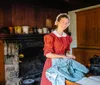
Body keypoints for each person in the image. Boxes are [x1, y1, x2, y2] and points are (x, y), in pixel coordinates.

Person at [40, 13, 76, 85]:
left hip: (63, 63)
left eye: (66, 23)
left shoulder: (67, 37)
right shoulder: (50, 37)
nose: (64, 24)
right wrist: (62, 56)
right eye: (63, 22)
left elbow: (67, 51)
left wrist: (69, 55)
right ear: (57, 22)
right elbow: (48, 54)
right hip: (52, 64)